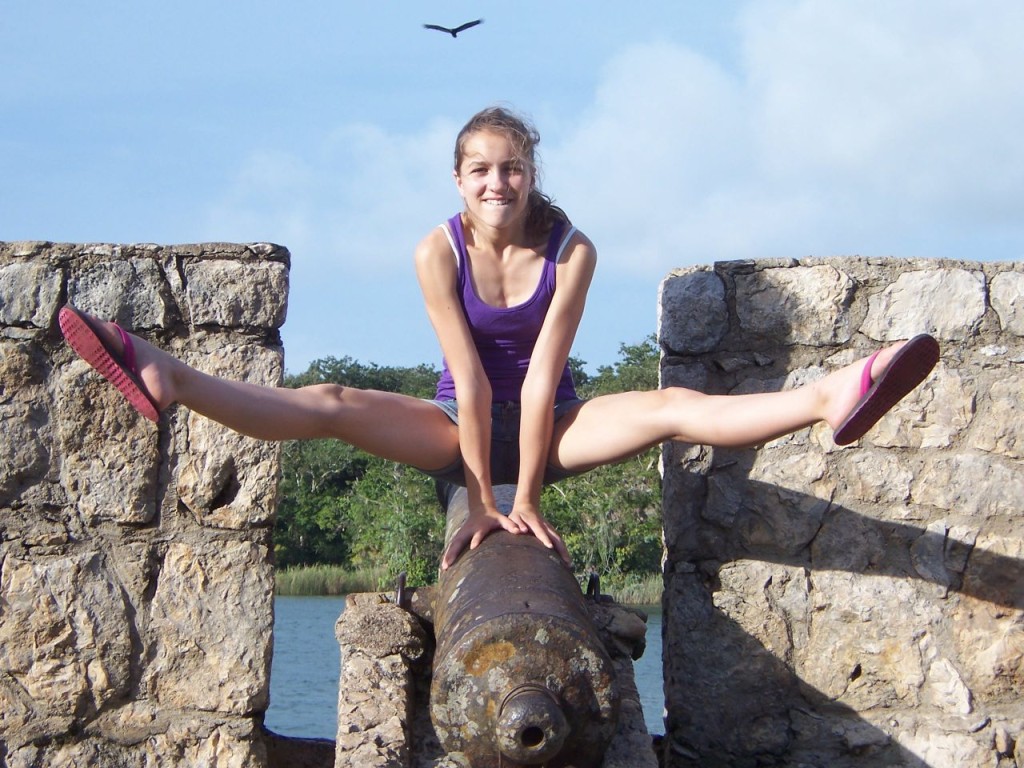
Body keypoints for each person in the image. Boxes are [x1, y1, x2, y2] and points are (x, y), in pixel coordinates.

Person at [58, 106, 940, 571]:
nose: (496, 182)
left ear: (531, 175)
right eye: (480, 169)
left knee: (672, 405)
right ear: (458, 177)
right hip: (455, 421)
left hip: (552, 420)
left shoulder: (573, 250)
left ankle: (834, 392)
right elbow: (472, 381)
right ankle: (170, 375)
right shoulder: (433, 250)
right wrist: (483, 499)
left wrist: (535, 500)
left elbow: (544, 372)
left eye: (511, 168)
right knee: (328, 404)